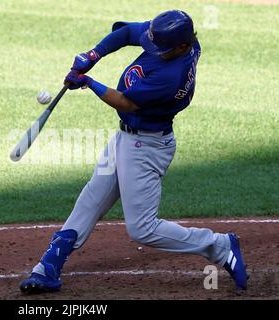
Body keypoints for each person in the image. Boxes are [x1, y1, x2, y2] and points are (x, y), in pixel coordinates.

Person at [19, 10, 248, 294]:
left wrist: (88, 83)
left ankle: (219, 245)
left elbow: (125, 102)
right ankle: (49, 265)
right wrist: (93, 55)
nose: (153, 49)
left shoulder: (171, 76)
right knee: (93, 196)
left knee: (142, 229)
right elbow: (127, 33)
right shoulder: (175, 40)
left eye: (160, 49)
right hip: (125, 141)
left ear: (182, 47)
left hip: (146, 149)